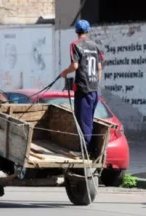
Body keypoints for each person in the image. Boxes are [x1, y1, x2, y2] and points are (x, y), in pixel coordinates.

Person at [59, 19, 104, 157]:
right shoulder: (95, 45)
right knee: (88, 120)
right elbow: (99, 67)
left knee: (83, 121)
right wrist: (95, 82)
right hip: (94, 90)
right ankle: (88, 149)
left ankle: (85, 152)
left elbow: (75, 66)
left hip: (83, 89)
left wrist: (65, 73)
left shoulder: (75, 45)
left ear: (76, 31)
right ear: (88, 30)